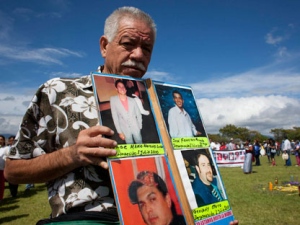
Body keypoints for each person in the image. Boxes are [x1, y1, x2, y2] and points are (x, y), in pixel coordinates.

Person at [4, 6, 239, 225]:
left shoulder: (159, 101)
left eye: (146, 48)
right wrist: (72, 155)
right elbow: (13, 172)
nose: (138, 54)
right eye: (128, 44)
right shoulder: (58, 92)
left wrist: (213, 217)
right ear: (104, 46)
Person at [110, 79, 142, 143]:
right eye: (119, 87)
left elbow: (138, 114)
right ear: (116, 89)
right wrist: (119, 132)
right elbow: (115, 117)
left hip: (136, 127)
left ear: (125, 89)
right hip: (124, 129)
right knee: (130, 147)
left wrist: (139, 126)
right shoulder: (113, 100)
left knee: (139, 143)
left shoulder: (132, 100)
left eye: (123, 86)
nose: (122, 88)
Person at [0, 135, 6, 201]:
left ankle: (0, 198)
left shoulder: (6, 148)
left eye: (1, 139)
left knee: (1, 185)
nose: (0, 141)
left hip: (2, 169)